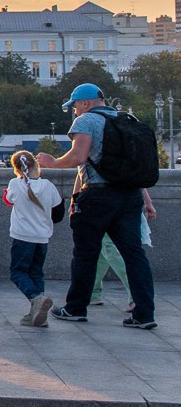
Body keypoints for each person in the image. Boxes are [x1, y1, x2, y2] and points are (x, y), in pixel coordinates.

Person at [39, 84, 158, 330]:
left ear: (85, 103)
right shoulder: (126, 119)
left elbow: (79, 156)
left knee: (85, 254)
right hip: (129, 195)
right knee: (134, 255)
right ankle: (144, 314)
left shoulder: (86, 121)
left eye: (74, 106)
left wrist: (53, 162)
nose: (74, 111)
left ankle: (75, 309)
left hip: (98, 197)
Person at [5, 150, 61, 327]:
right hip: (42, 237)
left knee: (18, 272)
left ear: (17, 169)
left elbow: (8, 199)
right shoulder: (48, 186)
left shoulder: (15, 183)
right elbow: (58, 212)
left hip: (22, 236)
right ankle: (37, 315)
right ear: (36, 165)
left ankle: (36, 298)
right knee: (36, 272)